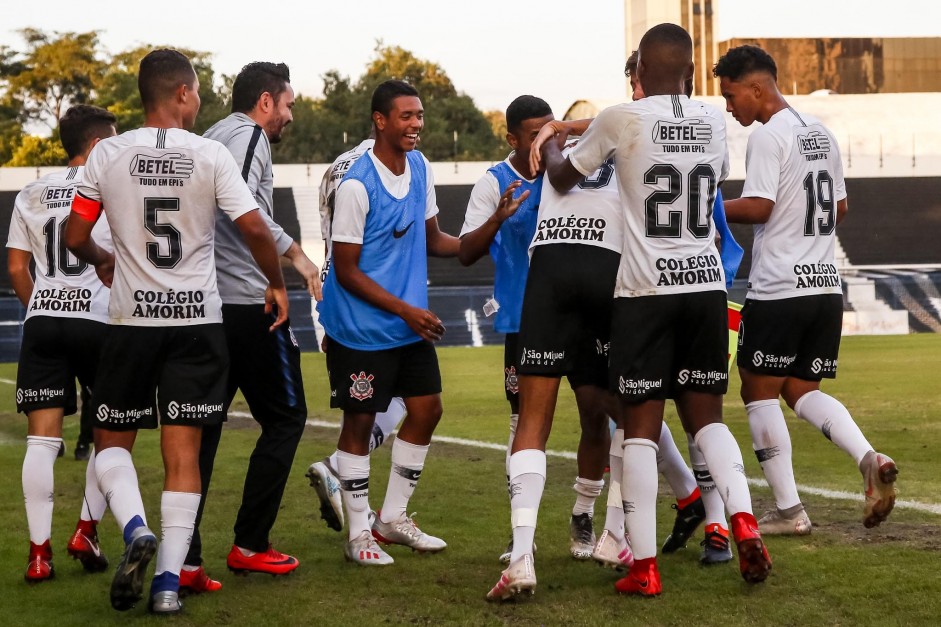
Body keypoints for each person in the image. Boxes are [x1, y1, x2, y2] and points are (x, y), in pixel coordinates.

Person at [532, 23, 771, 597]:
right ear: (689, 71)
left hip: (645, 290)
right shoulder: (715, 119)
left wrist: (551, 141)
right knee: (706, 418)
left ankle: (643, 567)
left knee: (639, 429)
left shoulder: (620, 116)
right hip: (706, 285)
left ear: (637, 73)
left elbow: (564, 177)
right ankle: (741, 517)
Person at [65, 49, 288, 614]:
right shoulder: (211, 154)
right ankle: (167, 585)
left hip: (132, 322)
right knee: (182, 454)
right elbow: (255, 227)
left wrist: (100, 257)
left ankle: (136, 527)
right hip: (198, 324)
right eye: (196, 92)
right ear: (183, 93)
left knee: (111, 441)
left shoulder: (108, 153)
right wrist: (277, 282)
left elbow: (73, 235)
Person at [714, 44, 898, 534]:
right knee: (799, 388)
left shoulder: (768, 137)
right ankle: (868, 455)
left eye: (732, 96)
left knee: (755, 389)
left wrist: (706, 205)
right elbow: (838, 207)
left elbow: (758, 206)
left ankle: (790, 511)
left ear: (757, 88)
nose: (730, 108)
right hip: (823, 288)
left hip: (779, 288)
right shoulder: (821, 131)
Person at [180, 61, 322, 591]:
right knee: (287, 417)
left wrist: (297, 256)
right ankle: (249, 545)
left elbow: (250, 209)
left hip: (207, 305)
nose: (289, 116)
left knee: (206, 428)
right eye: (287, 105)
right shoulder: (246, 137)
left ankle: (187, 558)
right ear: (266, 102)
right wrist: (281, 274)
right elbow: (246, 211)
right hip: (245, 303)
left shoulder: (215, 133)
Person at [317, 79, 460, 565]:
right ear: (380, 120)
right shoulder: (358, 183)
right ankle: (358, 534)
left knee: (426, 409)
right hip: (360, 328)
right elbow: (348, 270)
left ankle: (392, 518)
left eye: (419, 115)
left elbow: (436, 239)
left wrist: (490, 233)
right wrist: (407, 309)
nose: (416, 124)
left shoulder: (420, 167)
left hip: (406, 325)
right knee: (358, 423)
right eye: (406, 116)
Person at [460, 96, 609, 562]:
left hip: (584, 315)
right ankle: (519, 530)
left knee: (595, 415)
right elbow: (465, 250)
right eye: (537, 133)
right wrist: (498, 219)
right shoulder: (493, 181)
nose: (550, 140)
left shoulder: (570, 168)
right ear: (513, 139)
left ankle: (583, 513)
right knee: (522, 424)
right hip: (526, 320)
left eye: (555, 130)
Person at [9, 104, 116, 582]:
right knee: (113, 436)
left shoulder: (30, 192)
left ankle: (38, 555)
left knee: (41, 440)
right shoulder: (109, 188)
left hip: (44, 318)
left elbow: (16, 267)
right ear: (95, 145)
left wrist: (44, 305)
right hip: (97, 320)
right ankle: (85, 530)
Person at [306, 129, 409, 534]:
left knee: (391, 402)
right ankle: (350, 495)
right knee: (391, 404)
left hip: (334, 293)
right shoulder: (381, 170)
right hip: (367, 296)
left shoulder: (335, 167)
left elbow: (332, 242)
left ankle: (355, 500)